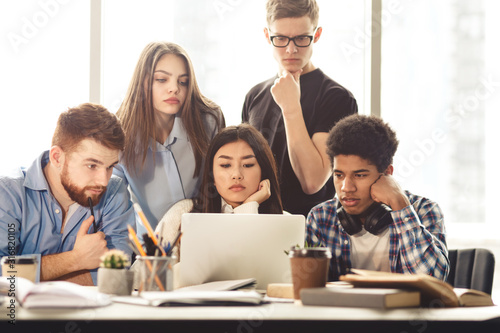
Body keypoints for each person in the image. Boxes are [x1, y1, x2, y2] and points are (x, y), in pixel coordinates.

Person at [242, 0, 358, 217]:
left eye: (302, 38)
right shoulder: (254, 96)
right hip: (256, 225)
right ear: (268, 36)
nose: (291, 49)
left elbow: (312, 182)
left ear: (317, 34)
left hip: (313, 232)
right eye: (281, 39)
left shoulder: (338, 98)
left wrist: (291, 107)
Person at [0, 103, 135, 285]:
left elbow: (116, 273)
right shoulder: (9, 194)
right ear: (57, 157)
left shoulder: (114, 192)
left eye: (110, 166)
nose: (103, 181)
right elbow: (3, 272)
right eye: (92, 165)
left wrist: (31, 278)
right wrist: (76, 259)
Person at [306, 114, 449, 281]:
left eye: (359, 175)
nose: (346, 187)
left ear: (387, 174)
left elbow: (434, 279)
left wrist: (399, 204)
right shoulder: (321, 217)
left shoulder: (424, 210)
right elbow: (310, 286)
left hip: (405, 308)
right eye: (339, 175)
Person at [114, 41, 225, 238]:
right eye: (162, 80)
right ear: (143, 82)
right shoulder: (120, 135)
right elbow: (114, 210)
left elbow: (223, 184)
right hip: (152, 250)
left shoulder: (209, 121)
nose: (174, 88)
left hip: (207, 238)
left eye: (183, 82)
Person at [155, 123, 283, 258]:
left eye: (247, 165)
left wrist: (249, 207)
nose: (236, 174)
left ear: (263, 171)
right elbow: (150, 270)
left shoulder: (284, 221)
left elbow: (247, 267)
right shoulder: (183, 212)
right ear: (212, 175)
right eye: (226, 165)